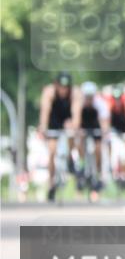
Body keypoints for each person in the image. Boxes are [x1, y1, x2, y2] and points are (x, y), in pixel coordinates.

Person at [37, 71, 78, 202]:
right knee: (52, 152)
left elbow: (76, 113)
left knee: (71, 134)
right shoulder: (49, 92)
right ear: (56, 84)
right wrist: (43, 127)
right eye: (61, 86)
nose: (64, 90)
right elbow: (45, 111)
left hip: (68, 120)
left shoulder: (75, 93)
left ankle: (70, 156)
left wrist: (74, 125)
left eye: (66, 87)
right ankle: (51, 183)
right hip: (53, 122)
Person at [75, 81, 111, 201]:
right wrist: (78, 130)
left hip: (96, 127)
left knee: (98, 148)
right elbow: (76, 121)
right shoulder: (79, 105)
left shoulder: (100, 104)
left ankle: (99, 172)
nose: (89, 99)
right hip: (84, 127)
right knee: (79, 140)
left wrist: (104, 133)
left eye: (91, 97)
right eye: (87, 97)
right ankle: (81, 163)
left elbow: (104, 123)